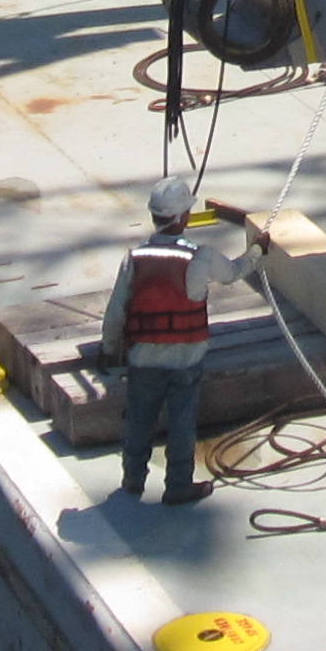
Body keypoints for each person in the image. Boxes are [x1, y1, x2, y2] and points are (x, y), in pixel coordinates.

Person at [96, 177, 258, 503]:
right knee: (182, 423)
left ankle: (132, 479)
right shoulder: (200, 256)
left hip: (143, 357)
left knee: (139, 419)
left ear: (154, 216)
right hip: (185, 356)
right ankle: (178, 484)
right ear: (184, 216)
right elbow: (233, 273)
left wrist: (109, 348)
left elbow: (116, 310)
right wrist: (258, 251)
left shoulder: (135, 257)